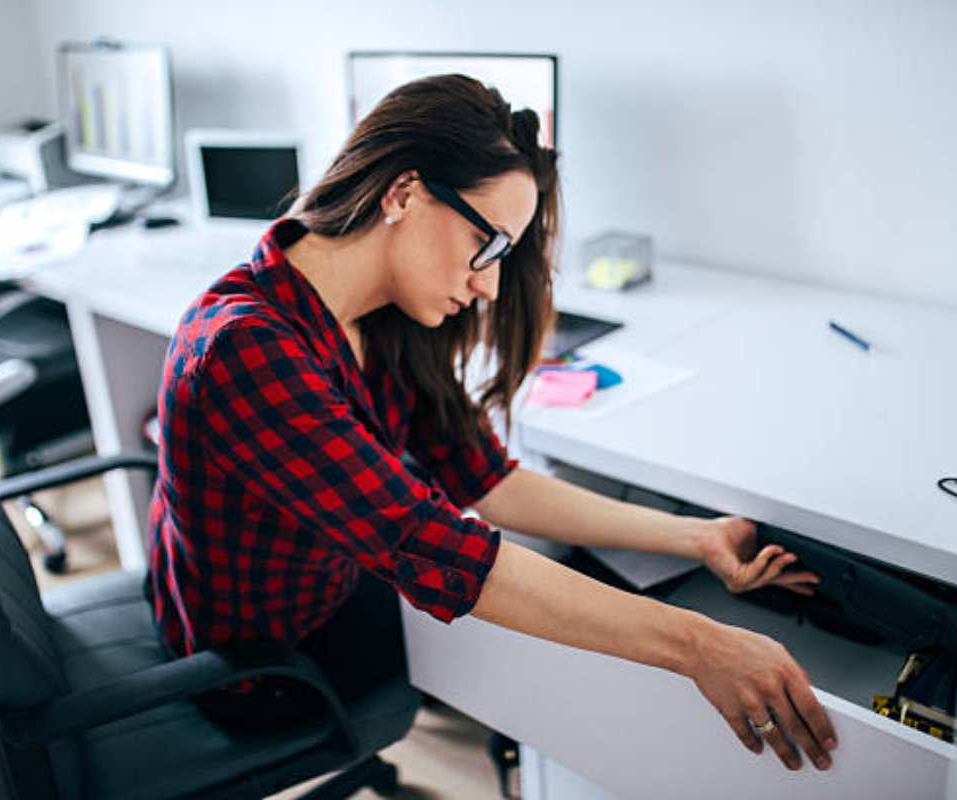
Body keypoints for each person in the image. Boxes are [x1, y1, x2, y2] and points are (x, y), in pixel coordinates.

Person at [147, 73, 837, 773]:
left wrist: (696, 538)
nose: (489, 285)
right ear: (404, 194)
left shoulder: (371, 313)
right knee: (557, 651)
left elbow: (489, 482)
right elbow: (441, 549)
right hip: (269, 666)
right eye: (487, 247)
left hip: (329, 585)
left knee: (560, 609)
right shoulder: (246, 350)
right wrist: (699, 645)